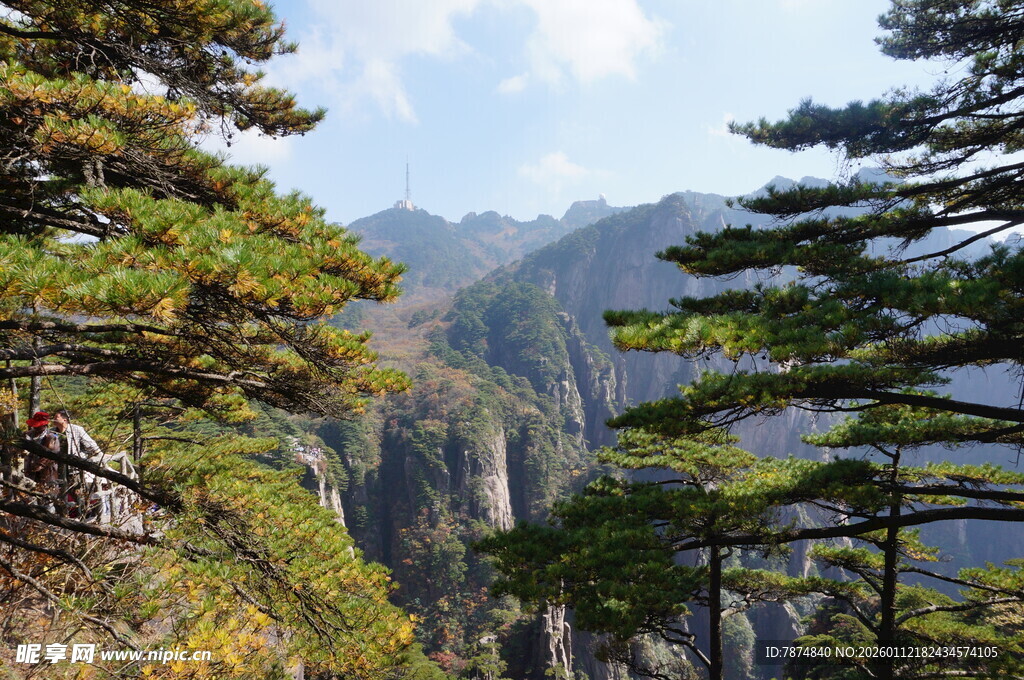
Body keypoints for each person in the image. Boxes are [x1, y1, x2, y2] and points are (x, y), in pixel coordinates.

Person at [23, 411, 59, 488]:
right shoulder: (27, 434)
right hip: (28, 470)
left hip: (46, 473)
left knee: (47, 494)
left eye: (38, 425)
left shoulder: (51, 437)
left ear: (45, 424)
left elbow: (51, 455)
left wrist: (39, 465)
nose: (35, 427)